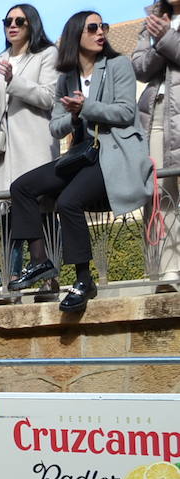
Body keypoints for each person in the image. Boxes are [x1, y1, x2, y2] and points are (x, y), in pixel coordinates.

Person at [9, 11, 152, 311]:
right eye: (93, 27)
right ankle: (40, 261)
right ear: (77, 35)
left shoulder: (117, 64)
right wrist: (74, 117)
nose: (101, 32)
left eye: (103, 26)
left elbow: (126, 112)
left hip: (113, 151)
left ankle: (84, 280)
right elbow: (55, 126)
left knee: (68, 202)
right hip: (82, 153)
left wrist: (86, 107)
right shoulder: (67, 77)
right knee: (21, 187)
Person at [0, 4, 60, 293]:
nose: (13, 25)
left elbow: (49, 97)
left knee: (42, 212)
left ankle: (49, 279)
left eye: (20, 21)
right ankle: (12, 282)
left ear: (32, 24)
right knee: (5, 218)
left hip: (33, 146)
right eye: (8, 21)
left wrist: (13, 81)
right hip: (2, 152)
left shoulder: (47, 54)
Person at [134, 0, 180, 289]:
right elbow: (139, 67)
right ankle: (167, 273)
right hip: (157, 113)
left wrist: (165, 38)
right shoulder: (151, 19)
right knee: (159, 192)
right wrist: (163, 41)